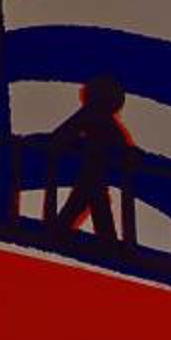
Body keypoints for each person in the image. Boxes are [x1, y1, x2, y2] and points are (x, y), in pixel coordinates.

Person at [42, 75, 132, 246]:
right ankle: (106, 243)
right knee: (92, 204)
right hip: (94, 172)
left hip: (92, 172)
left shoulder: (91, 114)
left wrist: (74, 143)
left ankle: (58, 235)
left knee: (84, 204)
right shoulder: (101, 118)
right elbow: (122, 147)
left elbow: (62, 135)